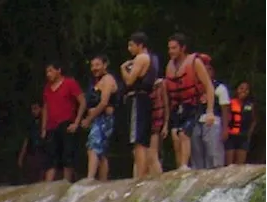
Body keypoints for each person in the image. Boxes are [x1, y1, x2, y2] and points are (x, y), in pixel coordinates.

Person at [164, 34, 216, 170]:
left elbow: (209, 86)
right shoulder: (170, 66)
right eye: (169, 48)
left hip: (193, 103)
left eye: (174, 48)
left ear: (183, 48)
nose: (171, 51)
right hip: (178, 105)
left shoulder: (194, 62)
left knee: (184, 133)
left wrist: (210, 111)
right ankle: (180, 167)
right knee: (175, 136)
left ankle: (184, 166)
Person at [121, 32, 162, 178]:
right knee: (143, 139)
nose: (129, 48)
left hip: (138, 98)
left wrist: (123, 69)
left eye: (131, 45)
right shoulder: (152, 58)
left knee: (137, 140)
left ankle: (140, 174)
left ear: (140, 45)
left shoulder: (141, 58)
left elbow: (129, 81)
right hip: (145, 99)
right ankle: (143, 173)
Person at [42, 63, 86, 182]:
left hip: (66, 123)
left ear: (58, 70)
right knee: (51, 157)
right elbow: (46, 107)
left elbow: (82, 101)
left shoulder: (69, 83)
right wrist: (43, 128)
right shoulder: (47, 87)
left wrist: (76, 122)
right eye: (47, 72)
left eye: (51, 71)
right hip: (51, 126)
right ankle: (48, 185)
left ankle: (66, 183)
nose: (48, 74)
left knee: (68, 155)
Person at [82, 56, 119, 180]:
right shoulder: (96, 82)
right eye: (92, 66)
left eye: (97, 65)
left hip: (104, 118)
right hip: (97, 118)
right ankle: (102, 180)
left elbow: (104, 102)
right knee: (101, 152)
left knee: (93, 147)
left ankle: (90, 178)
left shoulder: (108, 79)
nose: (94, 68)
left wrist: (89, 118)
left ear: (105, 65)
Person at [227, 82, 256, 165]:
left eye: (246, 89)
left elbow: (254, 120)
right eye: (241, 88)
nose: (244, 91)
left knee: (240, 164)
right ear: (237, 89)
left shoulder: (251, 105)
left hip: (243, 136)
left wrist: (249, 133)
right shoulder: (230, 102)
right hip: (231, 135)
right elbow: (226, 118)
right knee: (229, 164)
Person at [18, 102, 48, 183]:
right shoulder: (31, 122)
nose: (34, 111)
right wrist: (21, 156)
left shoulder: (45, 121)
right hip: (32, 151)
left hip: (43, 149)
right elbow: (27, 139)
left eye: (36, 108)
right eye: (32, 109)